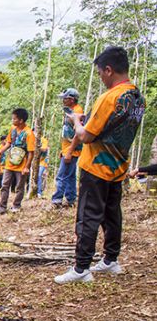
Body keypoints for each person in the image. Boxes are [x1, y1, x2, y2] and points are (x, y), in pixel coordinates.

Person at [55, 46, 146, 284]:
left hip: (96, 166)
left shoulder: (109, 97)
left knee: (88, 215)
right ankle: (110, 259)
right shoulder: (137, 97)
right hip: (118, 165)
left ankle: (81, 267)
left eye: (100, 73)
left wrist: (76, 121)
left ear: (108, 69)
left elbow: (86, 136)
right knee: (111, 213)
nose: (100, 77)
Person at [0, 108, 36, 214]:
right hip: (10, 163)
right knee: (5, 184)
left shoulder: (29, 133)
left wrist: (27, 167)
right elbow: (8, 142)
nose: (12, 120)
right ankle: (2, 207)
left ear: (21, 120)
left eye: (14, 119)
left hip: (21, 165)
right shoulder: (13, 129)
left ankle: (16, 205)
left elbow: (31, 152)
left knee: (19, 186)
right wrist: (0, 151)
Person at [51, 88, 85, 207]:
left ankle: (57, 200)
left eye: (65, 98)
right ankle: (71, 199)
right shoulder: (71, 111)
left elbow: (78, 134)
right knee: (70, 175)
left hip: (71, 150)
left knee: (62, 176)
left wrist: (69, 152)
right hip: (67, 149)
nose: (63, 101)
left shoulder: (77, 113)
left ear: (71, 99)